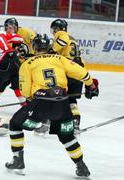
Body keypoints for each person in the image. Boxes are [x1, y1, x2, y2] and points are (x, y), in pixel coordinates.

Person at [5, 34, 99, 177]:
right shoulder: (60, 59)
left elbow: (24, 91)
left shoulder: (28, 63)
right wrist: (91, 86)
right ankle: (81, 166)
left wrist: (33, 101)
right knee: (67, 136)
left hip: (40, 104)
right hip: (62, 104)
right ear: (49, 47)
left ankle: (18, 159)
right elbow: (81, 72)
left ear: (35, 47)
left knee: (15, 124)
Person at [49, 19, 85, 132]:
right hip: (79, 69)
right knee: (72, 99)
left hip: (67, 69)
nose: (53, 32)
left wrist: (51, 50)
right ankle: (75, 123)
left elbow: (62, 41)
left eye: (54, 29)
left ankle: (48, 123)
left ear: (57, 28)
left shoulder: (61, 34)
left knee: (56, 95)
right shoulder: (73, 38)